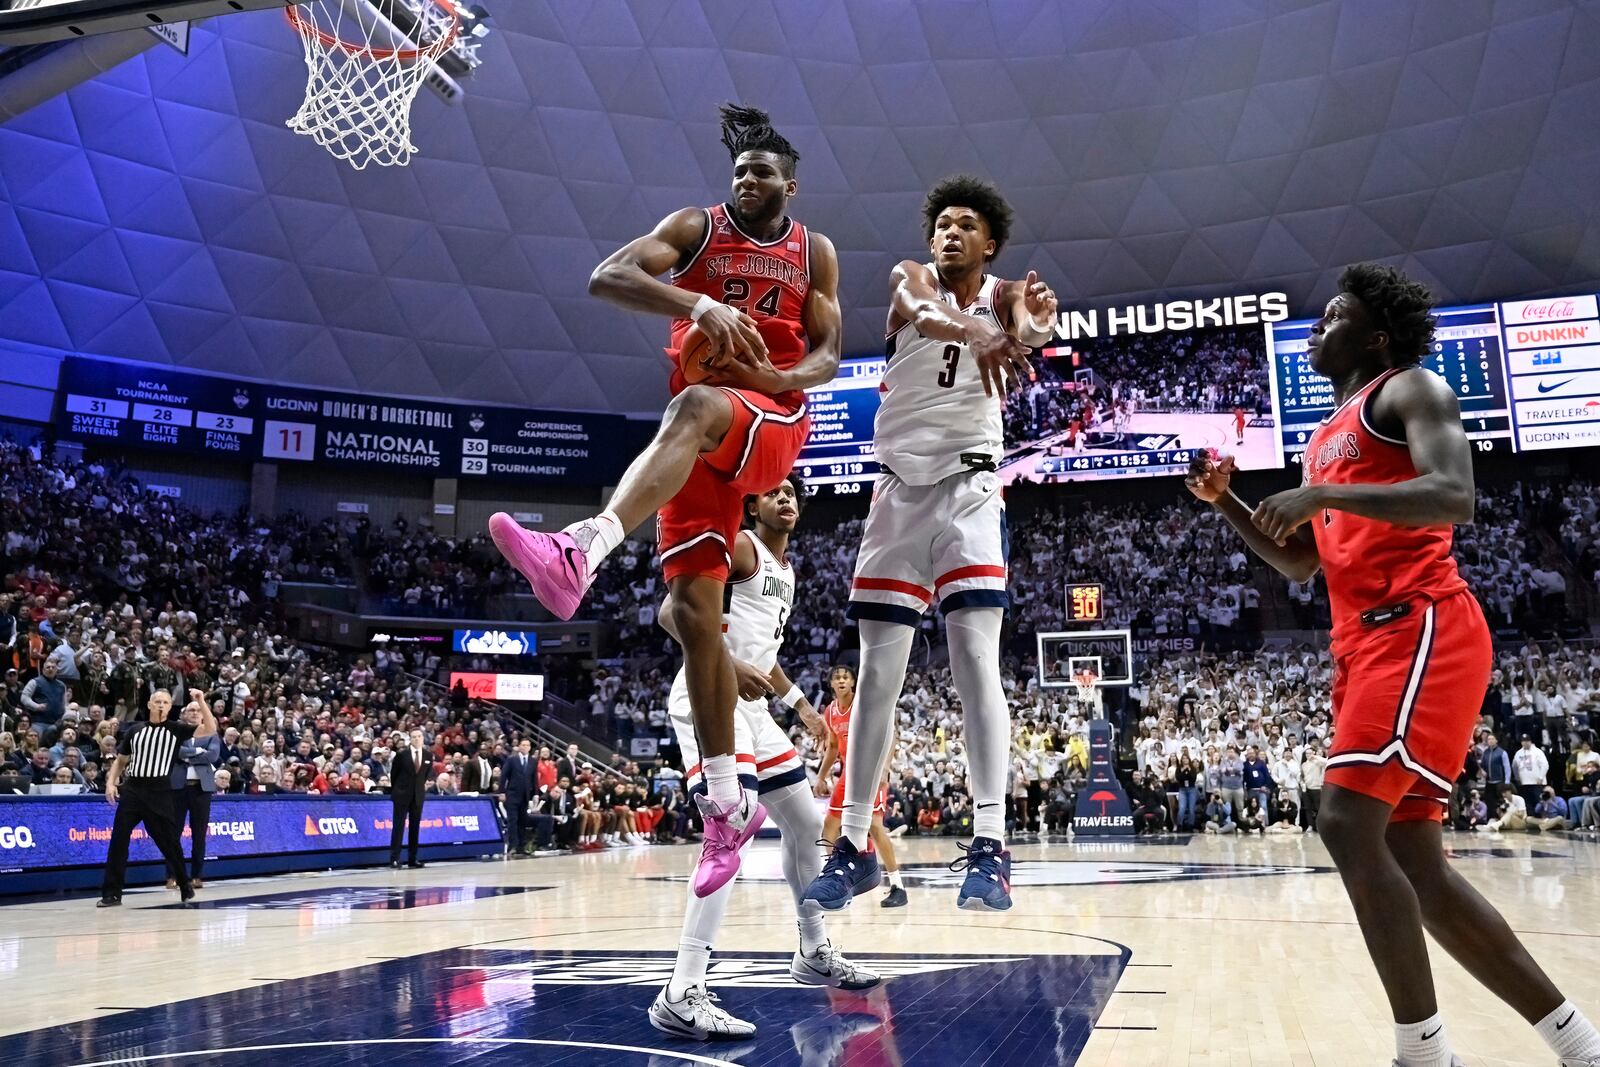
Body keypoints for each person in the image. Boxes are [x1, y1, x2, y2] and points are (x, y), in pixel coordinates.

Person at [1187, 262, 1599, 1067]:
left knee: (1343, 822)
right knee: (1416, 861)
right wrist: (1228, 503)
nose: (1318, 323)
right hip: (1366, 641)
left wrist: (1325, 497)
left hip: (1421, 624)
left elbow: (1452, 494)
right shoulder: (1321, 438)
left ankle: (1424, 1053)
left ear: (1374, 335)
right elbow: (1302, 564)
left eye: (1334, 313)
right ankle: (1580, 1045)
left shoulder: (1411, 390)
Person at [488, 105, 842, 888]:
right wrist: (696, 304)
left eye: (763, 171)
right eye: (739, 171)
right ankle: (724, 807)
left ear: (791, 181)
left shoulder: (812, 250)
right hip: (701, 440)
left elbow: (828, 352)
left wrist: (782, 379)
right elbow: (607, 275)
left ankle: (583, 547)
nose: (748, 180)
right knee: (691, 614)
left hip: (769, 414)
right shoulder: (695, 226)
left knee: (690, 408)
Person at [805, 176, 1056, 915]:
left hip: (971, 491)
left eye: (964, 225)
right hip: (895, 493)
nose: (948, 233)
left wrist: (1032, 326)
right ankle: (853, 848)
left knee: (976, 659)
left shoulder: (1005, 291)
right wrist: (972, 329)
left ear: (990, 243)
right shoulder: (909, 280)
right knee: (877, 677)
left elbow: (1027, 327)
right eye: (941, 223)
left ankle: (991, 842)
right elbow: (919, 307)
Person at [651, 474, 877, 1042]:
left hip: (752, 710)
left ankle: (812, 950)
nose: (786, 499)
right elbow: (669, 614)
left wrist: (802, 707)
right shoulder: (741, 545)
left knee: (804, 824)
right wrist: (727, 664)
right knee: (728, 830)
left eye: (793, 493)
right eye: (774, 491)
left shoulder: (786, 571)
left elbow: (764, 656)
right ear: (751, 504)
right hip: (708, 697)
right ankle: (682, 989)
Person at [99, 688, 216, 907]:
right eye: (157, 701)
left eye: (165, 702)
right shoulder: (135, 730)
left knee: (169, 841)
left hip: (160, 789)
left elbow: (210, 729)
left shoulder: (176, 729)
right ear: (150, 705)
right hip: (133, 788)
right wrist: (110, 782)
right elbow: (121, 760)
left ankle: (184, 883)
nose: (161, 705)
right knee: (118, 840)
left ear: (171, 707)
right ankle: (111, 893)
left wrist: (200, 701)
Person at [813, 665, 906, 908]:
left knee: (875, 827)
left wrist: (886, 765)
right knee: (829, 825)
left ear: (853, 681)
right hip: (847, 773)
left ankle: (897, 885)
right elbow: (833, 747)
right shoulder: (831, 712)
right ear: (831, 684)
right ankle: (835, 878)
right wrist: (821, 777)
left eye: (846, 677)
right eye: (837, 678)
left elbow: (889, 733)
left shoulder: (863, 704)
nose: (841, 681)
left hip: (871, 769)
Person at [165, 700, 221, 890]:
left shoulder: (211, 734)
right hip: (178, 788)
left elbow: (213, 756)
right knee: (173, 834)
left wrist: (187, 755)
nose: (196, 713)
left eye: (199, 710)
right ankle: (173, 875)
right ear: (185, 714)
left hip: (201, 789)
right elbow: (174, 751)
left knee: (199, 835)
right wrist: (198, 751)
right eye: (192, 710)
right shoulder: (177, 732)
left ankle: (197, 875)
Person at [388, 729, 429, 869]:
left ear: (422, 738)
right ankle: (394, 858)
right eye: (414, 737)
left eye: (419, 736)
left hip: (418, 796)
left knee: (415, 828)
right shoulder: (401, 755)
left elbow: (424, 776)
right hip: (401, 795)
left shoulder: (428, 755)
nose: (417, 739)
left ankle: (413, 858)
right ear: (410, 739)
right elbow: (394, 775)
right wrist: (398, 791)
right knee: (398, 827)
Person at [502, 738, 536, 856]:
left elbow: (534, 779)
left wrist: (535, 794)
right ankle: (513, 846)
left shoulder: (532, 761)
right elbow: (504, 776)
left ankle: (521, 846)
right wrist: (502, 792)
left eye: (527, 745)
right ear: (519, 747)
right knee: (513, 821)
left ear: (530, 748)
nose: (525, 747)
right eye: (523, 745)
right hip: (512, 795)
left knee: (523, 821)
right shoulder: (512, 760)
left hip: (525, 796)